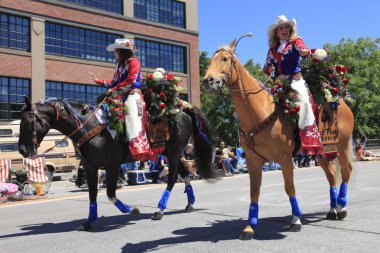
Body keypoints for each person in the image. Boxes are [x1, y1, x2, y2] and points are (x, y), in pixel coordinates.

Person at [263, 15, 324, 156]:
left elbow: (304, 50)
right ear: (276, 32)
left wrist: (304, 52)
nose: (285, 30)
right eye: (281, 28)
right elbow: (266, 67)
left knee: (304, 101)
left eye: (287, 27)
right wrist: (269, 69)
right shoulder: (272, 49)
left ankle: (310, 139)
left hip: (295, 81)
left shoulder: (296, 41)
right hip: (278, 84)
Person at [89, 38, 154, 161]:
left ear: (121, 51)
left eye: (116, 51)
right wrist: (99, 81)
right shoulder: (119, 65)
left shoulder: (134, 62)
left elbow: (131, 81)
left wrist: (113, 90)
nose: (114, 54)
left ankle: (139, 147)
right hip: (121, 94)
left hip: (132, 94)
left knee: (131, 115)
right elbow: (114, 82)